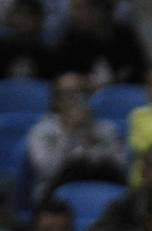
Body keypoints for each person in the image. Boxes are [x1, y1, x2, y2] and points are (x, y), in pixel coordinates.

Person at [25, 71, 125, 205]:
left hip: (100, 191)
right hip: (55, 195)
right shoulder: (42, 131)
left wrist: (92, 135)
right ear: (56, 100)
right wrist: (69, 133)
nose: (75, 100)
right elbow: (47, 169)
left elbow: (120, 166)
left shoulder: (105, 128)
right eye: (68, 94)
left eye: (81, 93)